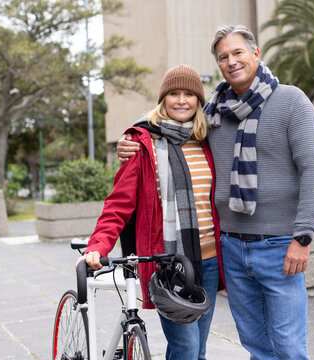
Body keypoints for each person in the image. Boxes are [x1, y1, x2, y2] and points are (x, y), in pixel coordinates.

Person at [117, 25, 314, 360]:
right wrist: (132, 137)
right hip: (229, 247)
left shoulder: (291, 101)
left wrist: (303, 237)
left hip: (279, 246)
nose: (231, 61)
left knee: (288, 346)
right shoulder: (214, 113)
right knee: (256, 344)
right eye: (223, 57)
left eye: (238, 53)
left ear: (255, 53)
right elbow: (171, 122)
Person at [78, 64, 224, 360]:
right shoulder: (142, 144)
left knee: (200, 349)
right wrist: (97, 246)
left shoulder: (208, 140)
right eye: (173, 93)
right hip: (167, 263)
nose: (181, 100)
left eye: (189, 94)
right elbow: (118, 205)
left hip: (207, 262)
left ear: (199, 100)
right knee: (186, 348)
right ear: (163, 99)